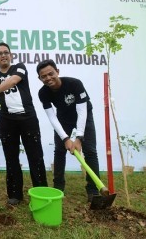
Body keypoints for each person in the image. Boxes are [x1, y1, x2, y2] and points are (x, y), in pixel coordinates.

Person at [0, 42, 48, 206]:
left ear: (10, 55)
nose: (3, 55)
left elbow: (13, 81)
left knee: (35, 157)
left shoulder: (19, 68)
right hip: (6, 122)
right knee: (11, 158)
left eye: (6, 52)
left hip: (28, 119)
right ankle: (15, 194)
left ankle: (41, 192)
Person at [36, 59, 100, 202]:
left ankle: (93, 190)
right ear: (40, 78)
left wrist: (79, 138)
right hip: (63, 118)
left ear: (57, 71)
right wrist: (65, 139)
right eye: (43, 76)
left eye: (51, 74)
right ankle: (58, 188)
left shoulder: (74, 84)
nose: (48, 78)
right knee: (59, 151)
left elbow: (82, 112)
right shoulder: (43, 93)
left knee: (90, 151)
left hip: (84, 116)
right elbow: (52, 117)